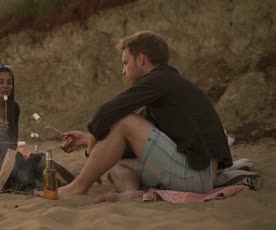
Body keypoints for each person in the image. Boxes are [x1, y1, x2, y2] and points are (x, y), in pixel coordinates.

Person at [37, 31, 232, 202]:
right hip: (192, 171)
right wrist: (88, 138)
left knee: (123, 120)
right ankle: (130, 193)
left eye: (125, 62)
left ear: (140, 59)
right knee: (117, 163)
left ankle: (77, 187)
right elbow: (134, 141)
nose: (123, 70)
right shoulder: (166, 86)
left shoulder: (160, 79)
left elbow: (106, 113)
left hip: (197, 175)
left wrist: (90, 151)